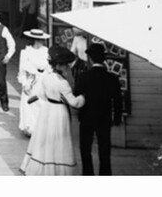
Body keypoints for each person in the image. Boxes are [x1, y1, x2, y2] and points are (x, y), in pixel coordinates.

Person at [19, 45, 86, 176]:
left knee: (46, 139)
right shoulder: (63, 83)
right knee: (59, 140)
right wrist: (83, 97)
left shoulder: (46, 77)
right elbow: (74, 102)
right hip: (60, 113)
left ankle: (43, 167)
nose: (67, 67)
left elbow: (41, 94)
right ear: (60, 66)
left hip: (47, 110)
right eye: (66, 65)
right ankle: (58, 170)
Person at [73, 43, 124, 175]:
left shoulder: (84, 76)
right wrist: (117, 118)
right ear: (104, 59)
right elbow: (118, 100)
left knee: (85, 149)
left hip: (86, 117)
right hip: (104, 118)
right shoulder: (112, 78)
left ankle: (88, 174)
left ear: (90, 59)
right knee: (104, 150)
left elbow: (76, 94)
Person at [17, 27, 51, 137]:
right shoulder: (26, 52)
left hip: (43, 81)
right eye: (38, 40)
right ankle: (30, 129)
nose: (40, 42)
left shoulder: (46, 51)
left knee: (42, 106)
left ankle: (41, 129)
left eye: (41, 39)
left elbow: (49, 68)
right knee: (30, 106)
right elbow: (22, 71)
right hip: (31, 81)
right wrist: (25, 84)